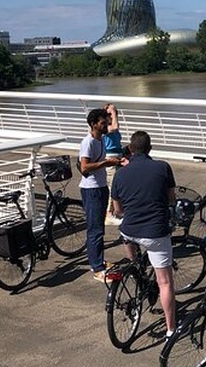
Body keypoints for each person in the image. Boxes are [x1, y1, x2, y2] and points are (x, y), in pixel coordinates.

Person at [111, 131, 178, 338]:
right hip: (155, 232)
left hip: (129, 230)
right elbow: (171, 199)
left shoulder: (120, 174)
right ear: (150, 148)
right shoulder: (162, 167)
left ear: (130, 149)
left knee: (134, 256)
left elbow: (118, 210)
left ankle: (136, 273)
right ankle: (171, 329)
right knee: (165, 282)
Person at [78, 108, 121, 282]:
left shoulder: (101, 140)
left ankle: (99, 261)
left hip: (101, 187)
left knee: (99, 229)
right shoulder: (88, 142)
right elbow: (84, 167)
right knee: (95, 229)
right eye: (103, 123)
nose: (106, 126)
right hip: (91, 190)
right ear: (93, 124)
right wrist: (106, 162)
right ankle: (97, 268)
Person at [103, 103, 123, 226]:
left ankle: (116, 211)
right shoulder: (106, 128)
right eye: (109, 114)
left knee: (118, 186)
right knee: (112, 186)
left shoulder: (112, 128)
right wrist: (113, 113)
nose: (112, 116)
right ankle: (108, 215)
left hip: (118, 158)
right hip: (110, 159)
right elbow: (115, 127)